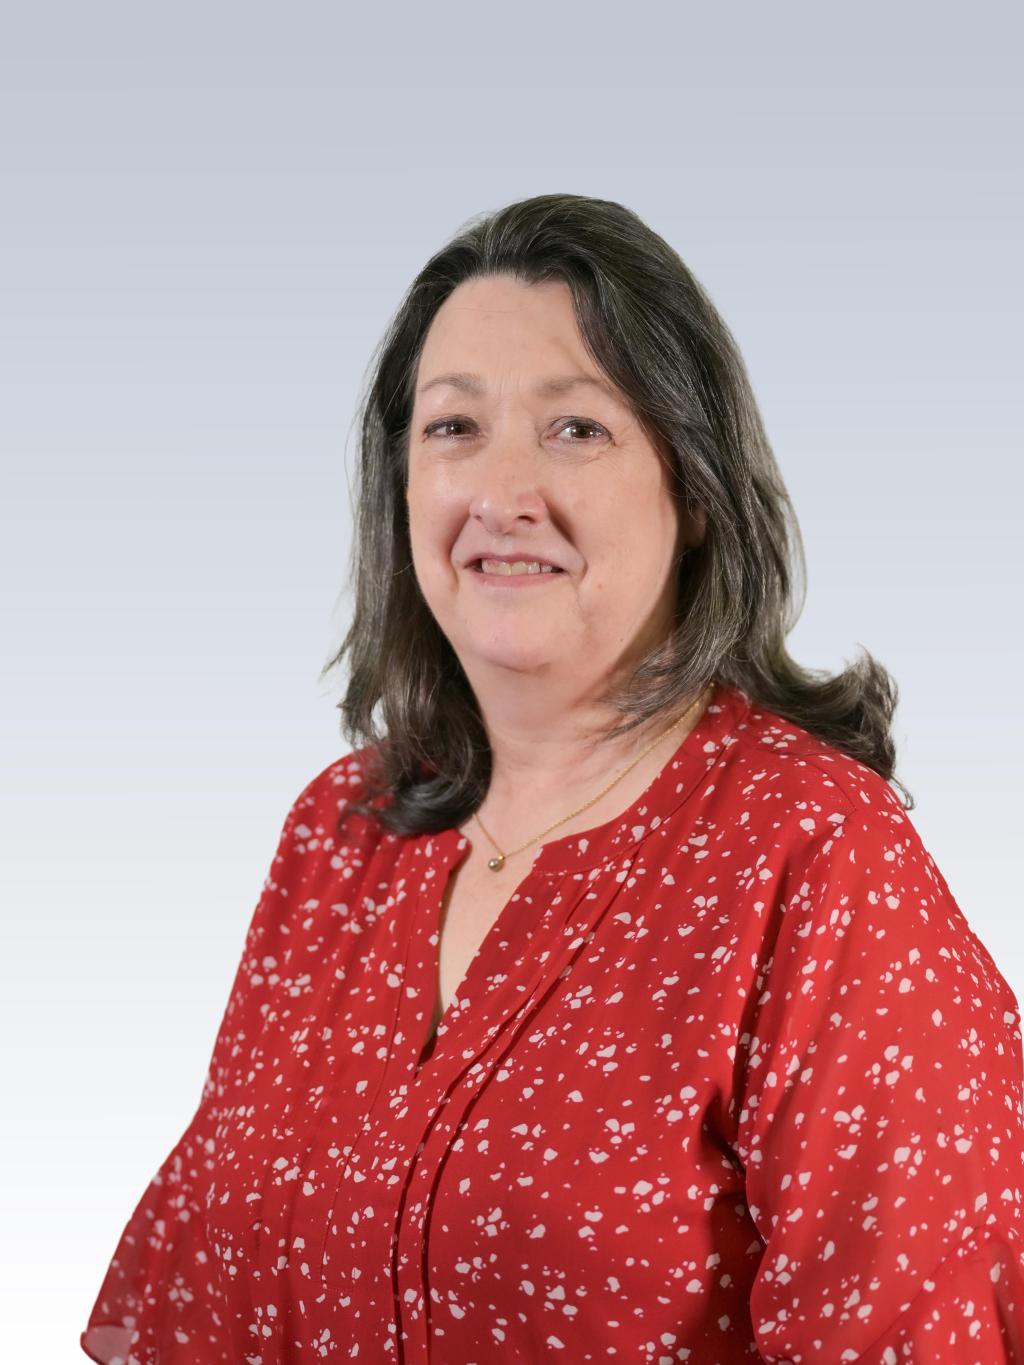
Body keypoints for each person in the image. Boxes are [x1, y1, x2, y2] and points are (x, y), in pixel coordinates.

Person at [81, 194, 1024, 1364]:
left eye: (575, 429)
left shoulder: (821, 856)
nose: (501, 491)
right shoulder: (338, 833)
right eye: (452, 429)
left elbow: (911, 1333)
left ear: (691, 488)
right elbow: (191, 1307)